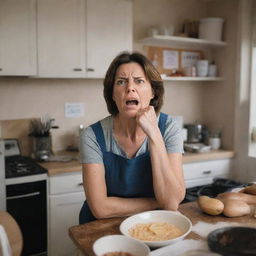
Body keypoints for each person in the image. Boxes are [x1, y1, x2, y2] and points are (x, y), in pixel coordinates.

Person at [79, 51, 185, 224]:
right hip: (100, 227)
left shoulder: (169, 128)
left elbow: (172, 202)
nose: (130, 87)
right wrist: (157, 202)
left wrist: (154, 134)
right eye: (121, 82)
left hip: (152, 223)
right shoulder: (91, 136)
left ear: (153, 92)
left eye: (139, 81)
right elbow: (100, 208)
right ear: (113, 95)